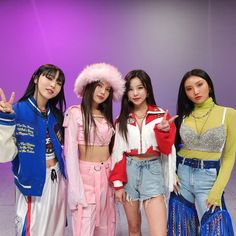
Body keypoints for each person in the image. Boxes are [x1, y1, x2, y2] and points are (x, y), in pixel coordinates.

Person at [0, 64, 67, 235]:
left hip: (57, 180)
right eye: (49, 78)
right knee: (32, 230)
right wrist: (5, 119)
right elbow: (4, 154)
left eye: (58, 82)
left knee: (56, 230)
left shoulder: (56, 115)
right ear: (36, 78)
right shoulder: (17, 110)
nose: (53, 85)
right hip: (33, 183)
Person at [168, 69, 236, 235]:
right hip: (182, 176)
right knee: (181, 230)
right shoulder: (183, 116)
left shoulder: (228, 114)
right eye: (189, 88)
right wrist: (172, 173)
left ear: (210, 86)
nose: (195, 92)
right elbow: (173, 149)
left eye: (199, 85)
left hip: (208, 178)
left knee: (216, 229)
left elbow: (229, 156)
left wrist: (217, 189)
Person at [109, 69, 177, 236]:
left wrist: (163, 131)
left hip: (152, 172)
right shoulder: (122, 119)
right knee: (133, 229)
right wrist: (118, 184)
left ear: (147, 89)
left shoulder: (161, 116)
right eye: (131, 89)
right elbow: (118, 152)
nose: (135, 93)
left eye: (139, 88)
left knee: (159, 232)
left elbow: (167, 149)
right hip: (129, 172)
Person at [63, 63, 124, 236]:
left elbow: (114, 150)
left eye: (107, 89)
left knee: (106, 223)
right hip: (86, 177)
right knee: (84, 223)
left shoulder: (107, 117)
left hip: (107, 174)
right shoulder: (75, 113)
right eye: (99, 85)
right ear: (89, 86)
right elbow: (69, 154)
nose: (102, 92)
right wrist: (75, 189)